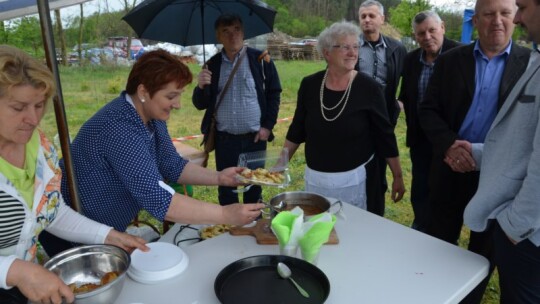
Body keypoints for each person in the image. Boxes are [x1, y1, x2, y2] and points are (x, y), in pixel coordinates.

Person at [39, 49, 264, 256]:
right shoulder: (119, 127)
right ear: (144, 91)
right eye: (171, 96)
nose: (177, 104)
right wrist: (225, 215)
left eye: (180, 95)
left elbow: (171, 164)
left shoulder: (150, 117)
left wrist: (219, 177)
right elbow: (159, 201)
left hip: (102, 226)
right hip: (73, 230)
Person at [0, 45, 149, 304]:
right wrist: (13, 270)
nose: (33, 119)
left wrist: (108, 236)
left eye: (38, 105)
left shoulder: (40, 147)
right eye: (18, 107)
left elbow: (52, 211)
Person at [418, 0, 530, 302]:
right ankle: (436, 294)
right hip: (451, 166)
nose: (497, 21)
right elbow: (427, 110)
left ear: (515, 18)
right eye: (488, 14)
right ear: (476, 20)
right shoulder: (451, 59)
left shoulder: (531, 65)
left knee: (485, 250)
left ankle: (469, 298)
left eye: (504, 13)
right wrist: (449, 145)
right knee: (441, 240)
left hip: (499, 177)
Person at [463, 0, 540, 301]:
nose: (518, 18)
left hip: (526, 235)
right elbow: (522, 142)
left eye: (520, 7)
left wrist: (515, 226)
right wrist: (476, 152)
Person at [283, 21, 405, 210]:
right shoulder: (310, 85)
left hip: (355, 179)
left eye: (356, 46)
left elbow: (385, 135)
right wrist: (279, 166)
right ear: (327, 53)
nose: (353, 53)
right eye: (345, 47)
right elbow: (297, 129)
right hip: (316, 179)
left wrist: (397, 176)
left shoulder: (370, 88)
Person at [192, 13, 282, 206]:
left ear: (243, 32)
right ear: (218, 36)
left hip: (255, 139)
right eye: (226, 31)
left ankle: (252, 226)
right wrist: (201, 86)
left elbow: (274, 94)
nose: (232, 35)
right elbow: (200, 104)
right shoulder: (212, 65)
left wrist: (267, 126)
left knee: (254, 186)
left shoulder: (260, 60)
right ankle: (229, 228)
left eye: (236, 29)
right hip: (225, 140)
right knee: (227, 188)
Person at [398, 11, 461, 232]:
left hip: (449, 138)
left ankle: (445, 231)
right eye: (421, 33)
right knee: (421, 183)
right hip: (420, 137)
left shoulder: (460, 55)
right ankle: (421, 223)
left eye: (431, 30)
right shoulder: (411, 59)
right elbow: (405, 94)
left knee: (446, 188)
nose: (427, 37)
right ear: (415, 36)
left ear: (442, 27)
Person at [357, 0, 407, 216]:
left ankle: (376, 210)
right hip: (356, 116)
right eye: (363, 16)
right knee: (357, 163)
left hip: (385, 116)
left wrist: (401, 100)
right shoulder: (351, 46)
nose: (367, 19)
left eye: (371, 15)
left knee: (380, 162)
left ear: (381, 19)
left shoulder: (397, 48)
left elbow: (409, 78)